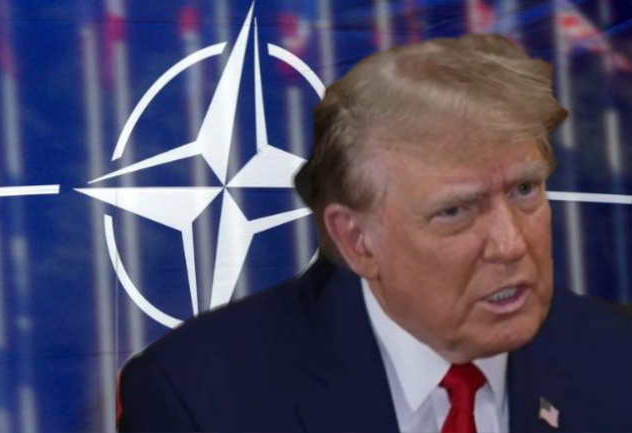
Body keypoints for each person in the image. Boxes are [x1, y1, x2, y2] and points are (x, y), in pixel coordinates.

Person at [116, 34, 632, 432]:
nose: (511, 244)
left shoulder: (618, 358)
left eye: (524, 189)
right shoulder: (197, 399)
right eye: (455, 210)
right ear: (357, 240)